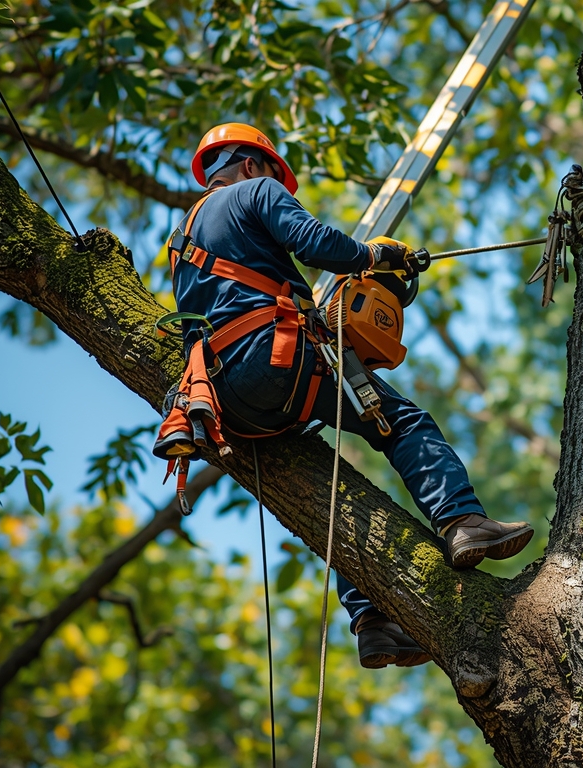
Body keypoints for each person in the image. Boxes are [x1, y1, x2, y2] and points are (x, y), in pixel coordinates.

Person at [161, 123, 534, 668]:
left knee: (333, 486)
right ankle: (462, 522)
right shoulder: (257, 192)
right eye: (274, 176)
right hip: (279, 356)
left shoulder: (181, 239)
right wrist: (372, 256)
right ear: (249, 165)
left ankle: (372, 621)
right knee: (404, 423)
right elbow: (316, 244)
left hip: (226, 400)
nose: (280, 189)